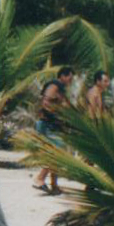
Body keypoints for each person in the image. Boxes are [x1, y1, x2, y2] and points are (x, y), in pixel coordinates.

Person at [33, 65, 74, 194]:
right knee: (55, 153)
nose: (70, 81)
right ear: (62, 76)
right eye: (69, 78)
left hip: (52, 125)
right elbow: (45, 103)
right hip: (48, 125)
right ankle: (39, 179)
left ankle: (54, 185)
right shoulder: (55, 85)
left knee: (56, 153)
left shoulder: (60, 88)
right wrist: (55, 117)